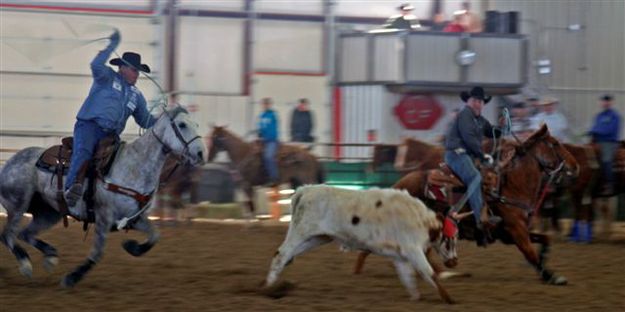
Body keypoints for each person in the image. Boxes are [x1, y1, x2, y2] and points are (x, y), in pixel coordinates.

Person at [64, 30, 156, 206]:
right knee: (83, 152)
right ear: (122, 68)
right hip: (89, 126)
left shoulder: (137, 95)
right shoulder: (106, 77)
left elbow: (145, 120)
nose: (137, 74)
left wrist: (163, 119)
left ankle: (108, 198)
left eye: (138, 71)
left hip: (111, 136)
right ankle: (70, 189)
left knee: (121, 162)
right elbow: (96, 65)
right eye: (134, 70)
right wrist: (111, 46)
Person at [444, 86, 502, 247]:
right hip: (456, 154)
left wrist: (503, 128)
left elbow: (491, 131)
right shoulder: (465, 115)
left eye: (481, 101)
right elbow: (469, 138)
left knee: (488, 176)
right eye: (475, 100)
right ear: (469, 102)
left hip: (466, 156)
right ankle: (480, 220)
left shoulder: (480, 120)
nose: (478, 103)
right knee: (475, 177)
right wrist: (482, 155)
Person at [588, 94, 621, 195]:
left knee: (606, 160)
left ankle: (609, 184)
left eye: (608, 101)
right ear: (601, 102)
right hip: (597, 142)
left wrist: (595, 130)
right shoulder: (598, 116)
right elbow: (593, 128)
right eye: (603, 101)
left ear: (611, 103)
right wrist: (591, 132)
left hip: (609, 142)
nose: (605, 103)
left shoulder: (615, 116)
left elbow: (609, 130)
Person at [258, 97, 280, 185]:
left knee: (268, 157)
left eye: (267, 104)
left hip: (271, 141)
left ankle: (274, 177)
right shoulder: (261, 116)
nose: (265, 106)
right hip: (263, 140)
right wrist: (259, 134)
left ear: (269, 105)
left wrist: (266, 137)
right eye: (264, 104)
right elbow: (261, 128)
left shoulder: (273, 115)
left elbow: (272, 129)